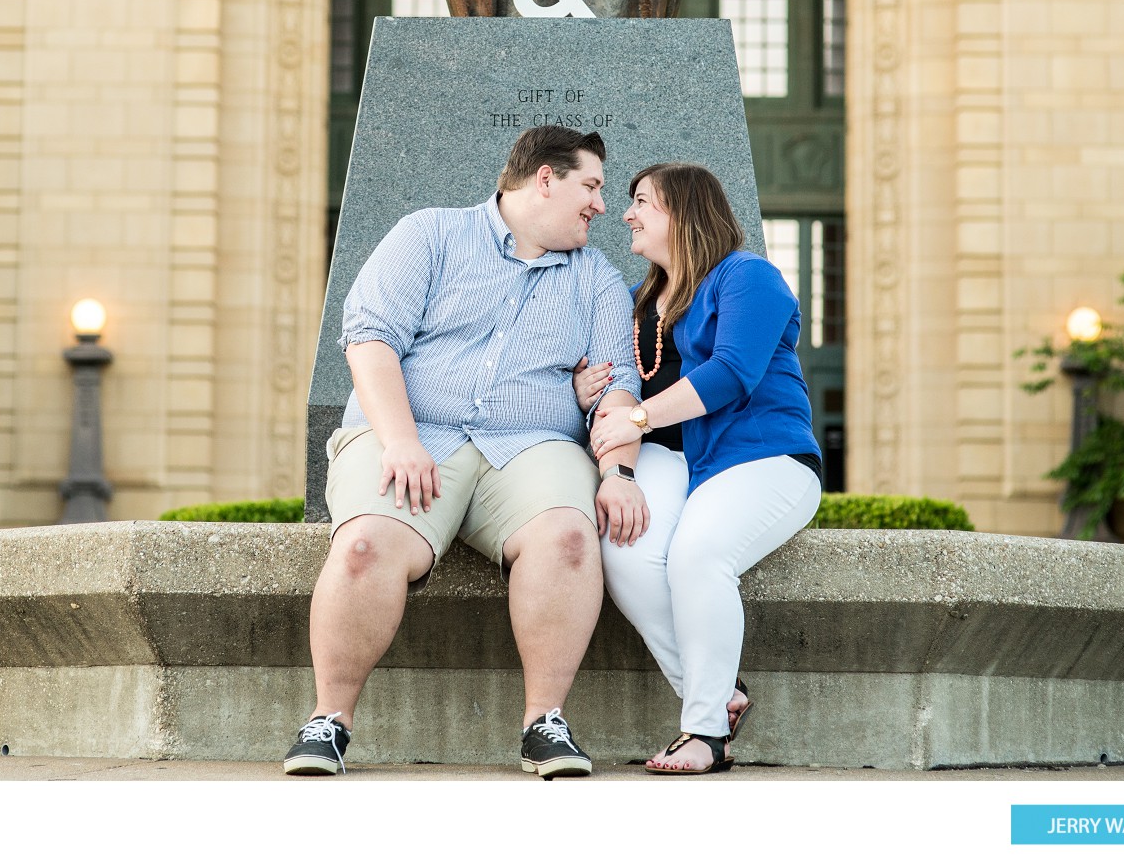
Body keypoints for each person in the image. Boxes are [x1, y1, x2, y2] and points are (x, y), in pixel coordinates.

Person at [284, 125, 644, 778]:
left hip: (531, 448)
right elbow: (368, 338)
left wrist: (618, 472)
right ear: (544, 178)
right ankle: (328, 720)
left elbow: (618, 391)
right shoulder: (429, 235)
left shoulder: (597, 280)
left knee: (568, 535)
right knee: (364, 544)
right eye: (590, 185)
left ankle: (545, 723)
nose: (600, 204)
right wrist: (400, 439)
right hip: (414, 433)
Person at [581, 162, 823, 774]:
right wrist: (587, 390)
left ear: (683, 211)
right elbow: (629, 387)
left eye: (641, 202)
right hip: (686, 462)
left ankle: (705, 733)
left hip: (765, 458)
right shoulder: (647, 301)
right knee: (624, 549)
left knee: (698, 554)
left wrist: (634, 421)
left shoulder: (748, 278)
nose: (627, 214)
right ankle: (719, 690)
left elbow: (731, 374)